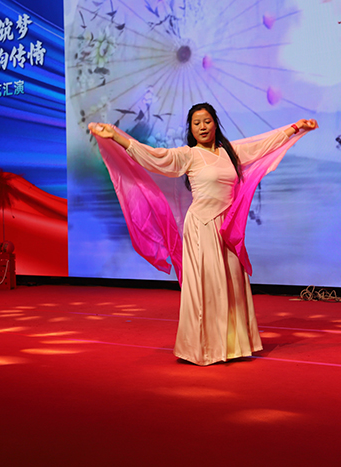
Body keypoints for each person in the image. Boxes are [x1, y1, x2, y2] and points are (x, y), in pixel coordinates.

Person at [89, 103, 317, 365]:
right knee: (207, 288)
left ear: (215, 123)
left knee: (231, 285)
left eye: (207, 121)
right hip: (202, 226)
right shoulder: (188, 155)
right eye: (196, 123)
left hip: (228, 229)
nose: (202, 127)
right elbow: (153, 156)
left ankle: (231, 346)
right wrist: (116, 136)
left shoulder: (231, 152)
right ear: (191, 128)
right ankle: (203, 349)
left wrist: (296, 128)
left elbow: (263, 144)